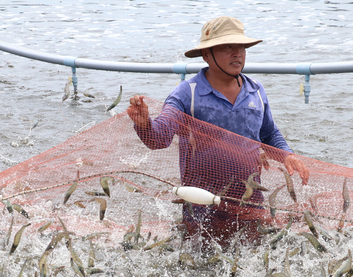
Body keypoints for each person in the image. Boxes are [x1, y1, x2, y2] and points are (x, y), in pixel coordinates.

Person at [128, 16, 308, 247]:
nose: (237, 53)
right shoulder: (187, 94)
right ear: (206, 54)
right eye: (226, 47)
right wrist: (144, 124)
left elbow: (268, 135)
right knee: (201, 260)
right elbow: (159, 139)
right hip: (201, 202)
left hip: (249, 199)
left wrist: (287, 154)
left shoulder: (256, 90)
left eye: (241, 47)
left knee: (251, 259)